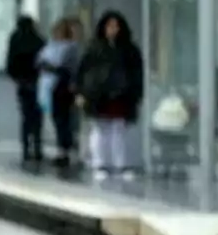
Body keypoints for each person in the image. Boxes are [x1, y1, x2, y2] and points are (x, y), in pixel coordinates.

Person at [76, 10, 145, 179]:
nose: (113, 30)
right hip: (99, 95)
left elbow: (137, 73)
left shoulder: (129, 49)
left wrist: (136, 94)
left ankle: (119, 165)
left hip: (121, 95)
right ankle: (100, 164)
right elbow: (82, 72)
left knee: (118, 130)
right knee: (100, 130)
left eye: (116, 26)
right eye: (109, 26)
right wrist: (81, 92)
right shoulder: (94, 48)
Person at [36, 17, 82, 167]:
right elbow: (39, 62)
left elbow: (67, 69)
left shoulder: (70, 48)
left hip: (64, 87)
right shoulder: (51, 46)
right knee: (58, 119)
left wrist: (50, 67)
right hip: (51, 87)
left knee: (65, 120)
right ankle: (63, 148)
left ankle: (66, 150)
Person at [6, 15, 46, 163]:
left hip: (23, 82)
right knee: (37, 117)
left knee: (25, 116)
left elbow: (10, 61)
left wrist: (16, 77)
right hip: (37, 81)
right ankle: (37, 146)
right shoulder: (37, 39)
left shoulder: (15, 39)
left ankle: (26, 148)